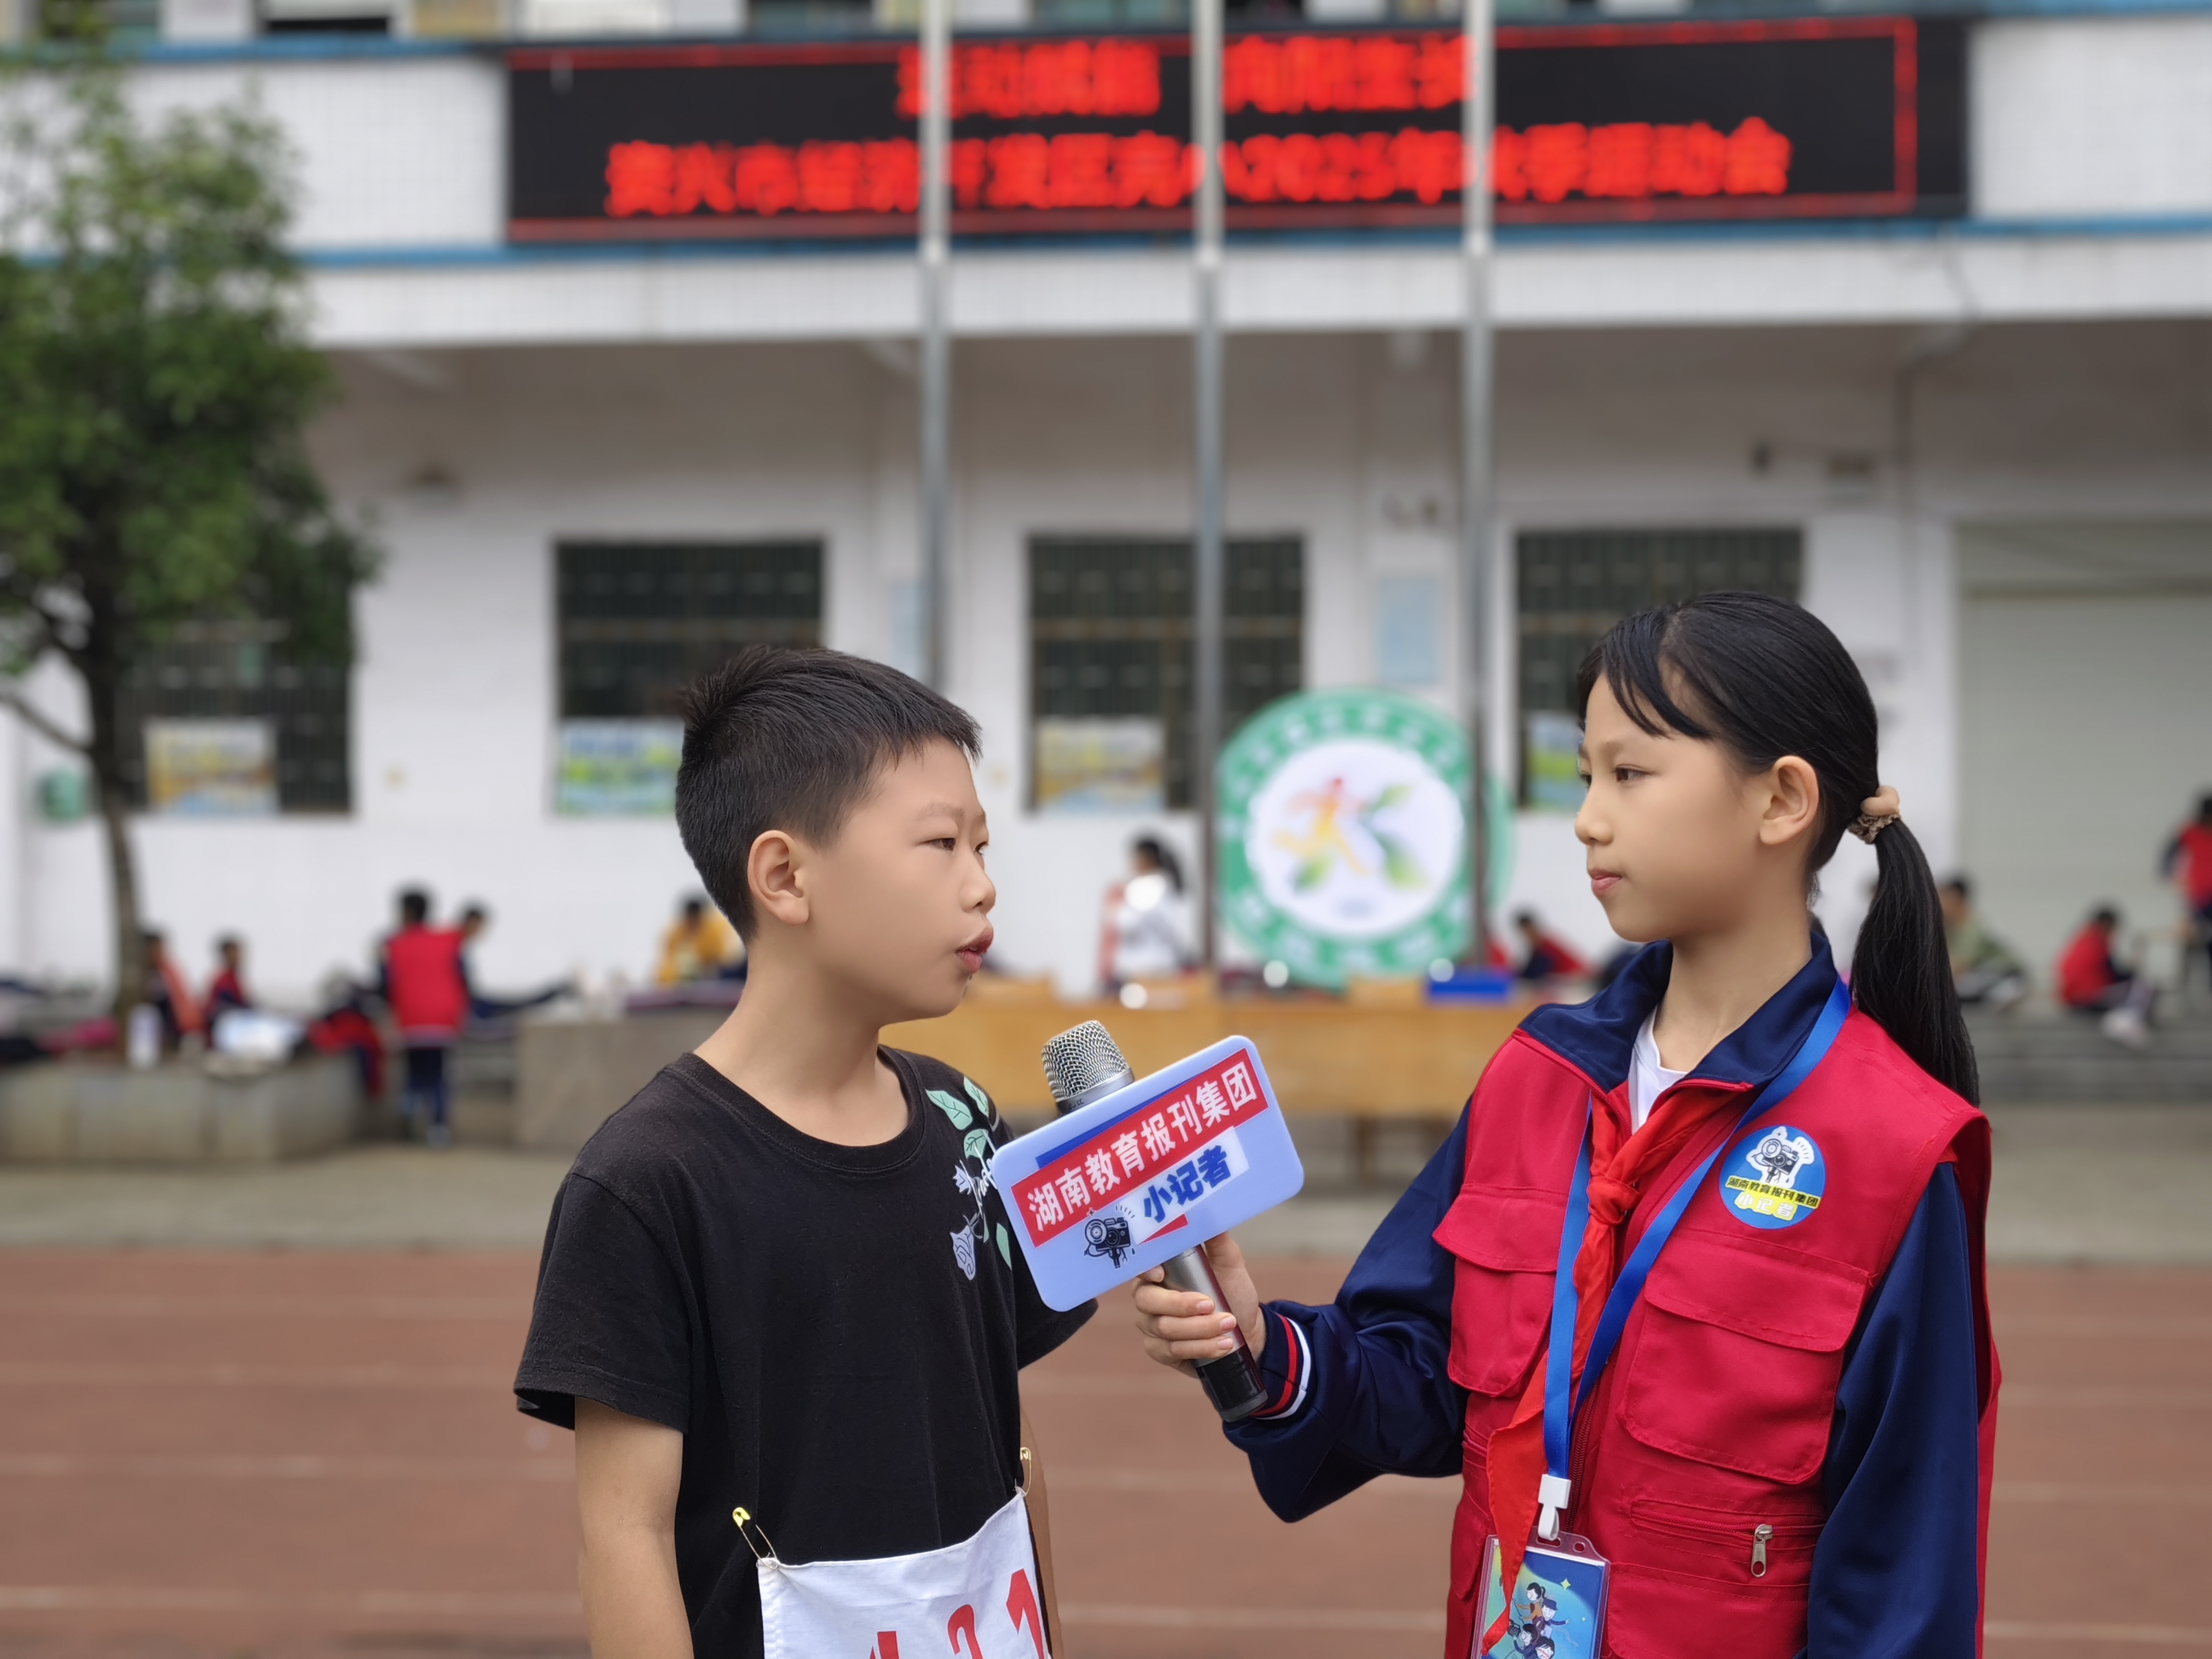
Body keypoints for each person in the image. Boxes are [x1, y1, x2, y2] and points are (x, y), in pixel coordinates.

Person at [1133, 592, 1997, 1658]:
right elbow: (1421, 1380)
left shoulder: (1895, 1149)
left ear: (1780, 801)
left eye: (1629, 774)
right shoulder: (1534, 1079)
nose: (1587, 817)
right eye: (1586, 775)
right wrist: (1267, 1348)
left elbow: (1900, 1581)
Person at [513, 646, 1092, 1659]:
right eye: (941, 845)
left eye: (984, 846)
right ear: (784, 875)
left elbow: (1011, 1442)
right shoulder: (651, 1180)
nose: (982, 887)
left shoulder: (964, 1119)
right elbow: (624, 1534)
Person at [381, 889, 467, 1147]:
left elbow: (386, 983)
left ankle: (409, 1106)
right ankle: (439, 1128)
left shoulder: (394, 944)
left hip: (411, 1020)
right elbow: (463, 977)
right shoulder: (449, 940)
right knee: (439, 1074)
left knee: (416, 1071)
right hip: (443, 1020)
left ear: (406, 912)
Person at [2057, 904, 2156, 1048]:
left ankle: (2124, 1021)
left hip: (2073, 997)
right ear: (2108, 924)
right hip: (2089, 997)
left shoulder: (2083, 940)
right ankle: (2125, 1023)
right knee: (2145, 988)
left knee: (2134, 988)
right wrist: (2134, 967)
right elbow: (2115, 974)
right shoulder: (2097, 942)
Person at [1101, 834, 1190, 992]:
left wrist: (1115, 906)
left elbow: (1123, 923)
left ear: (1147, 859)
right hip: (1162, 966)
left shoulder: (1147, 887)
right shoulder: (1166, 887)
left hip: (1144, 970)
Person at [1940, 876, 2027, 1009]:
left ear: (1958, 900)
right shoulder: (1949, 929)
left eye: (1945, 899)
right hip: (1978, 974)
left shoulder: (1973, 928)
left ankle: (2007, 992)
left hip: (2004, 972)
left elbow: (1959, 966)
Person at [2162, 793, 2212, 988]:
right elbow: (2166, 858)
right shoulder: (2189, 831)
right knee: (2195, 939)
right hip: (2198, 896)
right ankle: (2187, 984)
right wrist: (2172, 878)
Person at [655, 894, 743, 985]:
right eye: (690, 918)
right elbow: (669, 960)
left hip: (709, 974)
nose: (693, 922)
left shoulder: (712, 931)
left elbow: (719, 959)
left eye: (695, 918)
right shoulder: (676, 934)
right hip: (682, 976)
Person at [142, 929, 199, 1048]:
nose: (159, 954)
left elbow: (182, 1004)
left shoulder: (169, 972)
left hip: (174, 1027)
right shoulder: (140, 975)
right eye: (154, 950)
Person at [1512, 909, 1590, 984]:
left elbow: (1535, 973)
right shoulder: (1538, 949)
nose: (1527, 936)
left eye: (1528, 931)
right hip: (1566, 981)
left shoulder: (1547, 947)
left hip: (1578, 980)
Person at [206, 936, 252, 1016]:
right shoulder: (223, 980)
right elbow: (228, 1006)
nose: (238, 957)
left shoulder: (234, 977)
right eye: (234, 954)